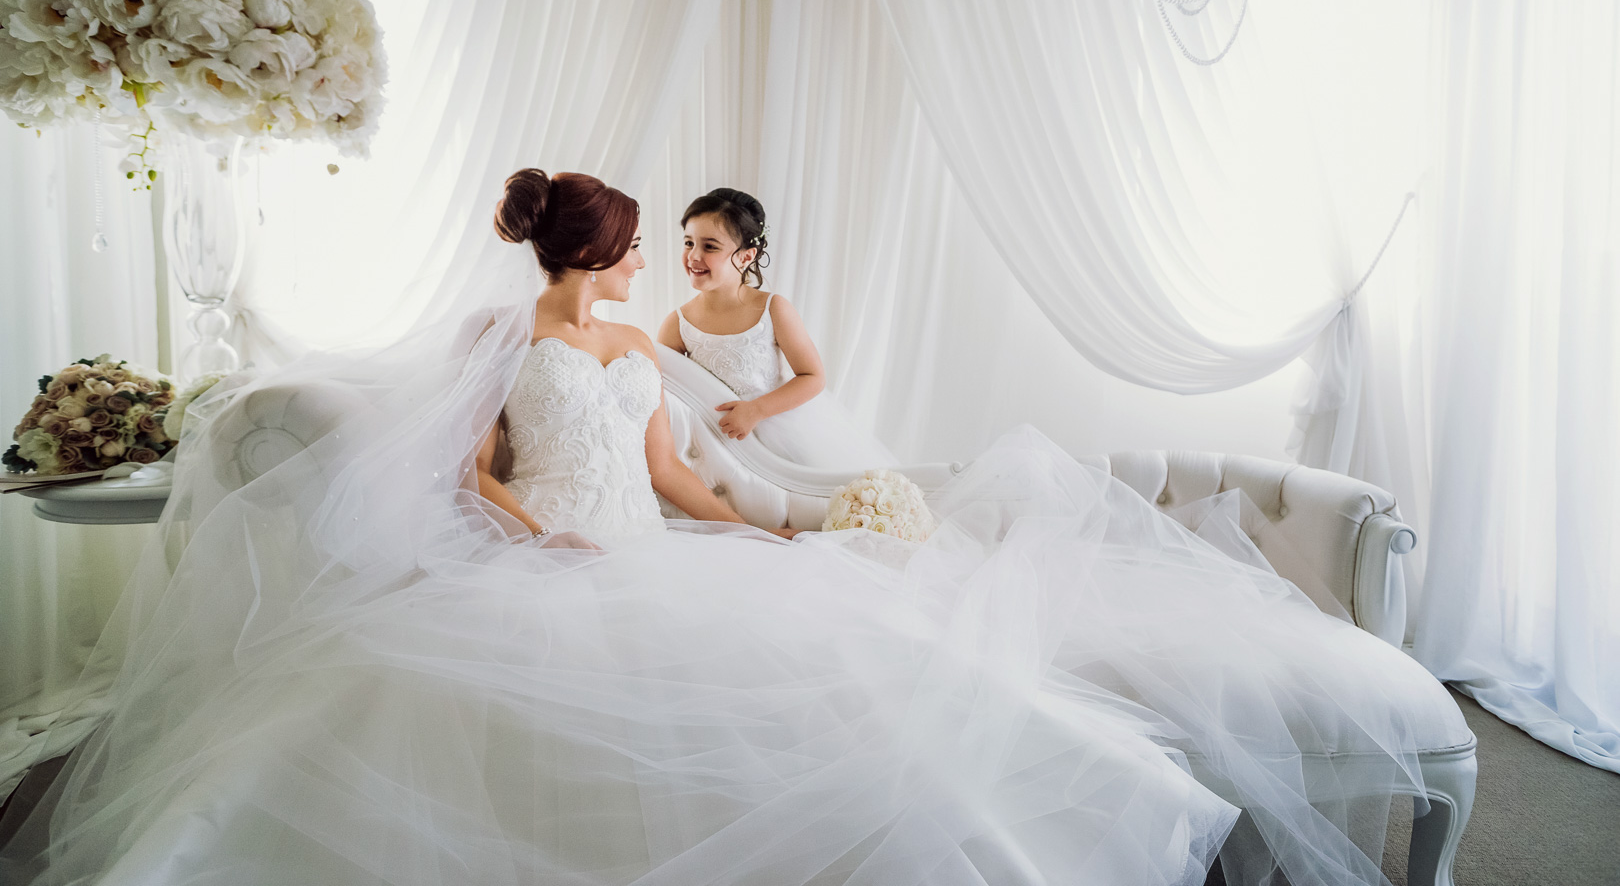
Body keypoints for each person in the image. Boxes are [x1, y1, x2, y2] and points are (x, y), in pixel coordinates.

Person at [0, 169, 1241, 886]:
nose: (655, 261)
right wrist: (534, 537)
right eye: (641, 246)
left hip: (643, 554)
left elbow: (668, 474)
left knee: (851, 687)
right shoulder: (503, 336)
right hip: (539, 562)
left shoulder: (634, 341)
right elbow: (466, 472)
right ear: (592, 252)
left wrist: (764, 535)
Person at [658, 188, 897, 472]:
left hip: (776, 430)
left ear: (746, 257)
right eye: (688, 243)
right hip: (713, 439)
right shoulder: (677, 323)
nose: (694, 255)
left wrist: (756, 410)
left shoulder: (772, 309)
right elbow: (665, 392)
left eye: (710, 247)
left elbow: (813, 377)